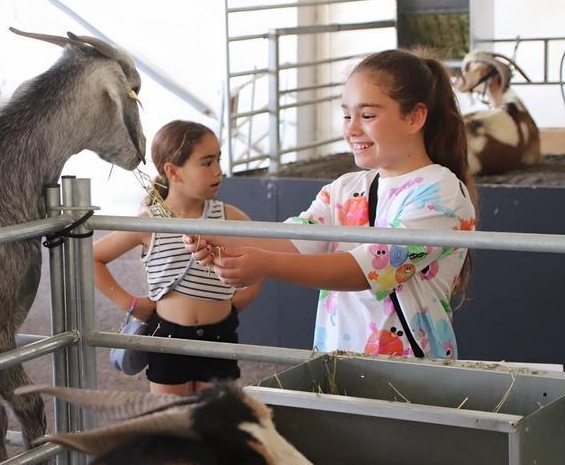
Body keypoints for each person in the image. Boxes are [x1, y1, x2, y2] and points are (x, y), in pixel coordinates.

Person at [189, 49, 477, 360]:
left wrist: (263, 263)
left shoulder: (441, 192)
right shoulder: (345, 189)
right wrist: (219, 238)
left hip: (411, 370)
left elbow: (368, 269)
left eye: (367, 115)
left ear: (415, 117)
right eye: (346, 115)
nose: (352, 128)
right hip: (337, 361)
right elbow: (297, 240)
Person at [94, 120, 261, 395]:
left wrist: (243, 297)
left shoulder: (230, 217)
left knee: (213, 423)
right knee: (171, 424)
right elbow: (94, 258)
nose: (218, 171)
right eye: (206, 163)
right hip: (167, 338)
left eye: (218, 160)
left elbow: (263, 254)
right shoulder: (149, 223)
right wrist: (131, 303)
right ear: (173, 171)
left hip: (219, 336)